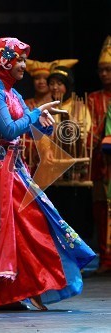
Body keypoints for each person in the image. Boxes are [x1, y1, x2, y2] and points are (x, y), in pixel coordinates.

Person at [0, 37, 96, 311]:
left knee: (32, 220)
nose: (23, 65)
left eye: (23, 59)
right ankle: (4, 290)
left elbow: (28, 126)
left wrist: (45, 123)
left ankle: (27, 284)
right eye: (19, 60)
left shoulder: (13, 94)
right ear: (2, 62)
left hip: (13, 164)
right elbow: (10, 129)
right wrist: (35, 114)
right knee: (5, 224)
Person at [88, 35, 111, 274]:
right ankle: (105, 259)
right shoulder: (93, 99)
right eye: (101, 70)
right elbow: (87, 130)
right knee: (101, 209)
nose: (103, 74)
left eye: (108, 69)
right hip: (101, 163)